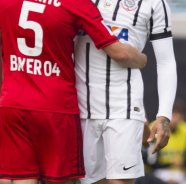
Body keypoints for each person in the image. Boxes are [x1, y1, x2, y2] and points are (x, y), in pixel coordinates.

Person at [0, 0, 146, 184]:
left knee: (20, 178)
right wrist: (142, 59)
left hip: (14, 102)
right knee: (62, 180)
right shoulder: (77, 3)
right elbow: (119, 53)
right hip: (57, 106)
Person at [74, 0, 177, 183]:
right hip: (81, 106)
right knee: (90, 181)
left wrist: (164, 116)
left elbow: (166, 62)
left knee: (119, 181)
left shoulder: (154, 4)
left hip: (125, 107)